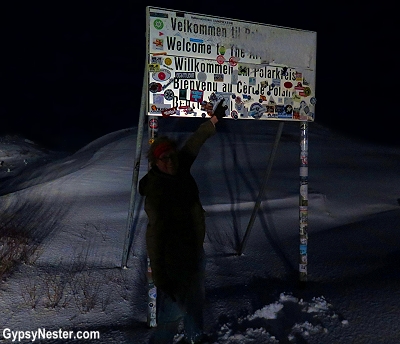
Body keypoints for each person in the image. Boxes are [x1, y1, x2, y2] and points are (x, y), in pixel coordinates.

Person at [139, 99, 227, 344]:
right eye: (164, 158)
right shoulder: (156, 190)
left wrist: (214, 120)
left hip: (194, 253)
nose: (170, 161)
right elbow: (154, 233)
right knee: (170, 314)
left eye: (172, 156)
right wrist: (159, 274)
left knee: (195, 307)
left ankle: (194, 340)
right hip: (171, 261)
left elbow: (195, 142)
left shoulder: (180, 167)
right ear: (156, 162)